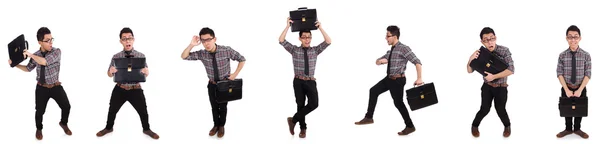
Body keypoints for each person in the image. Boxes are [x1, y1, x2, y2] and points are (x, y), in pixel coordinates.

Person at [354, 25, 423, 136]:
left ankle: (410, 126)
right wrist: (381, 61)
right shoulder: (391, 50)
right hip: (389, 79)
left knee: (398, 103)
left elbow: (417, 62)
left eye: (388, 36)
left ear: (394, 36)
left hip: (398, 80)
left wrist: (419, 78)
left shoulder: (404, 48)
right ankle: (369, 117)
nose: (386, 38)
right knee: (373, 91)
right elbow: (379, 60)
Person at [181, 27, 246, 138]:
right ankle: (215, 125)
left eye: (209, 39)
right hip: (212, 85)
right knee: (214, 106)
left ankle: (221, 126)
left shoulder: (226, 50)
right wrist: (191, 44)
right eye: (203, 41)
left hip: (224, 85)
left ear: (214, 39)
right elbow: (184, 56)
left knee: (223, 107)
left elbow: (242, 59)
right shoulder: (202, 54)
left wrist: (235, 74)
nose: (206, 43)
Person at [8, 27, 72, 140]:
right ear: (40, 42)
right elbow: (28, 69)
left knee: (66, 106)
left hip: (55, 86)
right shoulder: (36, 55)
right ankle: (39, 129)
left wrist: (30, 54)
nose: (51, 42)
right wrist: (14, 64)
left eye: (51, 39)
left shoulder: (56, 52)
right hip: (41, 88)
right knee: (39, 111)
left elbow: (44, 61)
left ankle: (63, 123)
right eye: (47, 40)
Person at [95, 27, 159, 139]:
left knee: (143, 111)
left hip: (136, 88)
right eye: (124, 39)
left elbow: (145, 72)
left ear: (133, 39)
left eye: (130, 38)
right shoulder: (116, 57)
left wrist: (147, 72)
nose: (127, 41)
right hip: (120, 88)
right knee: (112, 110)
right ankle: (109, 127)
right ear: (121, 41)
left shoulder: (141, 56)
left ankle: (146, 129)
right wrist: (110, 72)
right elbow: (109, 74)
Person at [279, 17, 331, 138]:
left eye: (309, 37)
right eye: (304, 37)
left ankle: (293, 120)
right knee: (300, 105)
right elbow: (281, 40)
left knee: (314, 104)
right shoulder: (294, 50)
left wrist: (320, 28)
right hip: (298, 81)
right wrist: (287, 26)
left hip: (310, 81)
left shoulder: (315, 50)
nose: (307, 39)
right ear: (300, 38)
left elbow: (328, 41)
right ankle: (303, 129)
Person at [467, 27, 514, 138]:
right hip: (487, 87)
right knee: (484, 109)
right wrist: (470, 59)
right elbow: (469, 71)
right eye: (486, 40)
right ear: (482, 42)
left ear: (495, 38)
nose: (490, 42)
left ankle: (507, 126)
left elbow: (511, 70)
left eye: (492, 38)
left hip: (501, 87)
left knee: (501, 110)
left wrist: (494, 76)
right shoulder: (480, 53)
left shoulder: (504, 50)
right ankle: (474, 126)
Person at [555, 25, 590, 139]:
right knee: (566, 109)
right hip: (567, 87)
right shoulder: (562, 55)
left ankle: (578, 129)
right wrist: (567, 89)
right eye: (570, 37)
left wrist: (580, 90)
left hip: (581, 87)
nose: (573, 39)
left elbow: (588, 74)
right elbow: (559, 73)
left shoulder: (586, 55)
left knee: (580, 109)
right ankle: (568, 129)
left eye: (575, 37)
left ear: (580, 38)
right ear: (566, 38)